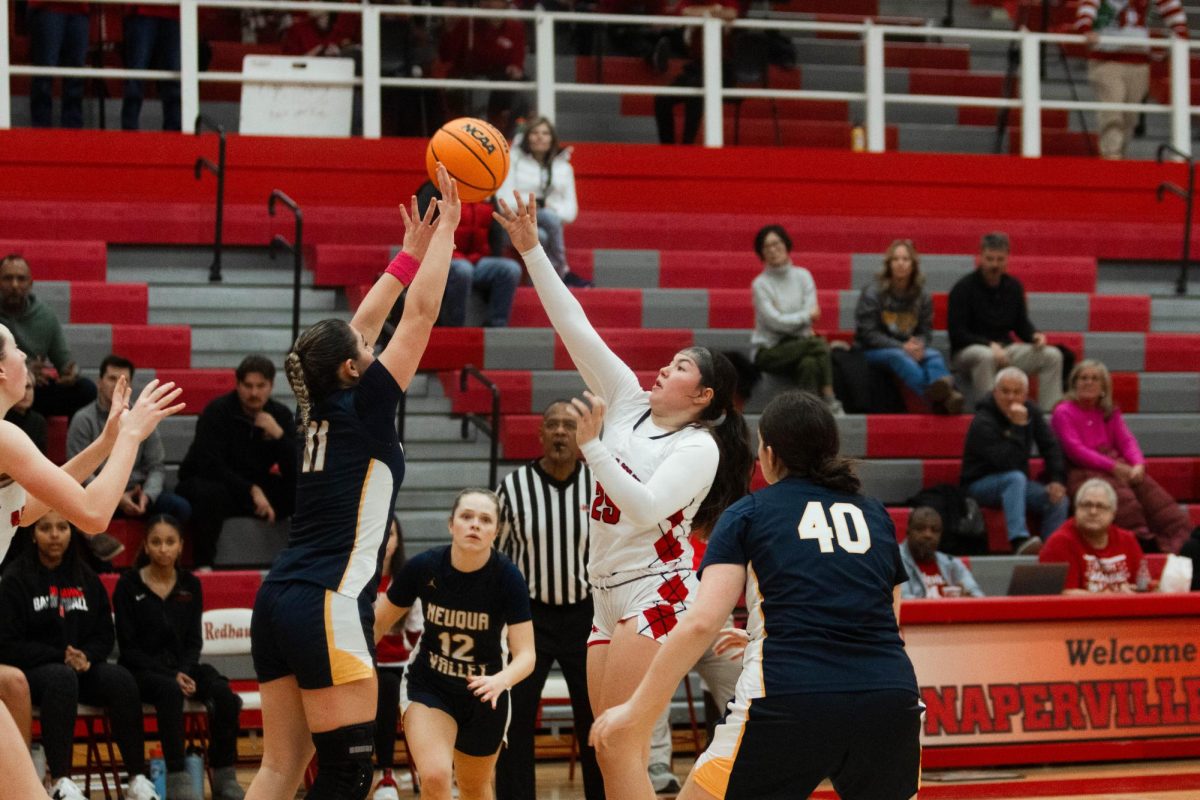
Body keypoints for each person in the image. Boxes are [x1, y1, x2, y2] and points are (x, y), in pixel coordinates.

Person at [495, 191, 753, 797]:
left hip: (656, 591)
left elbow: (642, 506)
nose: (667, 367)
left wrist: (593, 449)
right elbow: (575, 328)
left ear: (705, 395)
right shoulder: (628, 402)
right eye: (670, 360)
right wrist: (532, 251)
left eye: (684, 367)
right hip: (603, 591)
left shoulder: (699, 448)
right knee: (604, 740)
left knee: (621, 738)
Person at [590, 390, 922, 800]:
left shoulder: (749, 512)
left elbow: (700, 622)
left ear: (767, 452)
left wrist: (636, 710)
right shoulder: (875, 514)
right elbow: (887, 620)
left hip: (788, 697)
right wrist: (756, 637)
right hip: (889, 696)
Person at [245, 165, 458, 800]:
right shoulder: (364, 406)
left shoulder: (316, 406)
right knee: (346, 773)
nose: (373, 350)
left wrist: (406, 254)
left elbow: (358, 329)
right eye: (363, 352)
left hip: (278, 599)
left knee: (280, 770)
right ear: (349, 369)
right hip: (328, 601)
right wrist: (446, 229)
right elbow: (419, 317)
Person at [0, 321, 180, 800]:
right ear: (0, 370)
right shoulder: (5, 437)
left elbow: (28, 508)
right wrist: (132, 438)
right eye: (16, 349)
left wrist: (104, 444)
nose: (27, 358)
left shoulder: (8, 443)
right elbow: (95, 515)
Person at [374, 489, 536, 800]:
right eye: (466, 517)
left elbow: (526, 654)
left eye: (485, 519)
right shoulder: (424, 567)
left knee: (475, 788)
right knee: (435, 777)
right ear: (451, 525)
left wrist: (501, 680)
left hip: (486, 692)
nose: (475, 524)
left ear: (496, 531)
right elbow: (378, 624)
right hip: (429, 686)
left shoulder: (508, 578)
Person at [0, 511, 162, 800]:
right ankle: (60, 780)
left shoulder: (86, 576)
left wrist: (87, 656)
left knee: (121, 679)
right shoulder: (15, 579)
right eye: (45, 528)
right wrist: (58, 656)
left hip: (80, 668)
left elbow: (104, 634)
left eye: (62, 527)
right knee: (61, 679)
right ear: (33, 535)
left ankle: (137, 777)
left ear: (71, 533)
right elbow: (8, 644)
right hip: (36, 673)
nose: (54, 534)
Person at [493, 401, 603, 800]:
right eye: (552, 425)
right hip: (529, 619)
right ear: (539, 434)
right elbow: (498, 558)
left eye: (569, 426)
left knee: (593, 718)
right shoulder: (513, 487)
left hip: (586, 616)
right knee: (515, 718)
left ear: (582, 436)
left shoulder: (599, 486)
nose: (560, 432)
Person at [112, 515, 246, 800]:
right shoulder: (128, 584)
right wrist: (172, 675)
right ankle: (177, 776)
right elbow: (128, 647)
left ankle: (224, 773)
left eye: (170, 542)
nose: (163, 549)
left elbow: (194, 641)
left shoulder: (191, 584)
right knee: (170, 691)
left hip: (183, 667)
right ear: (146, 546)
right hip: (142, 670)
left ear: (181, 546)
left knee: (223, 693)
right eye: (156, 542)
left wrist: (184, 670)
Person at [1051, 359, 1191, 554]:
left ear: (1103, 386)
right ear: (1074, 383)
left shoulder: (1109, 411)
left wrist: (1138, 465)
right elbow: (1076, 450)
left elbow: (1126, 441)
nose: (1088, 382)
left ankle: (1179, 543)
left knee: (1161, 504)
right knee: (1124, 502)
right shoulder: (1063, 412)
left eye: (1094, 379)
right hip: (1080, 470)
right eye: (1083, 378)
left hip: (1114, 466)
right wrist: (1113, 466)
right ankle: (1141, 543)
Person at [176, 355, 296, 569]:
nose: (254, 393)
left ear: (271, 385)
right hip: (208, 481)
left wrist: (278, 435)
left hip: (250, 487)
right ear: (237, 384)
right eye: (248, 386)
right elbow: (209, 464)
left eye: (261, 386)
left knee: (299, 491)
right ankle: (203, 565)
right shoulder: (217, 411)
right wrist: (251, 490)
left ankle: (297, 561)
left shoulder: (279, 415)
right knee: (211, 493)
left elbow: (295, 470)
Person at [67, 355, 192, 523]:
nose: (117, 385)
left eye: (123, 380)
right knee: (71, 509)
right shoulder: (82, 419)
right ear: (99, 382)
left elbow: (156, 466)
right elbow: (79, 471)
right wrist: (115, 497)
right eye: (112, 378)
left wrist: (147, 496)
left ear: (130, 386)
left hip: (137, 491)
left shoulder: (142, 417)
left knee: (180, 507)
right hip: (98, 493)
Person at [948, 232, 1063, 412]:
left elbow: (1021, 324)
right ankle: (989, 416)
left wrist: (1034, 335)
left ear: (1007, 258)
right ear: (981, 257)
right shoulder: (963, 288)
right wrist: (988, 345)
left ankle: (1050, 415)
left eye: (1000, 259)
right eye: (990, 259)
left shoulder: (1014, 287)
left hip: (1005, 348)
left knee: (1052, 356)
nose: (994, 264)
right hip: (968, 352)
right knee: (985, 356)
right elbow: (957, 333)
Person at [961, 367, 1069, 556]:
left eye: (1017, 392)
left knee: (1058, 500)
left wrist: (1057, 480)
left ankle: (1052, 552)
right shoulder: (983, 421)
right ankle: (1019, 540)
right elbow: (1005, 462)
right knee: (1015, 478)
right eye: (1005, 391)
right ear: (995, 392)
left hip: (1015, 484)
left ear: (1026, 395)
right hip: (979, 485)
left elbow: (1050, 445)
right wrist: (1018, 427)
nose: (1011, 398)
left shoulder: (1031, 411)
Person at [855, 239, 962, 414]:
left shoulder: (922, 296)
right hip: (872, 350)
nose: (901, 263)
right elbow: (868, 333)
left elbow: (925, 332)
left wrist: (918, 345)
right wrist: (902, 346)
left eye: (905, 259)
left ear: (913, 265)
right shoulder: (873, 292)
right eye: (896, 259)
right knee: (899, 356)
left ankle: (943, 393)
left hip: (909, 347)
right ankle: (938, 399)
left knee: (934, 355)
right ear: (888, 264)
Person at [1075, 0, 1188, 160]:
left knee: (1130, 117)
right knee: (1112, 109)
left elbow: (1170, 6)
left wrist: (1180, 31)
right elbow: (1087, 5)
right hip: (1106, 59)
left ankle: (1119, 156)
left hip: (1139, 59)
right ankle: (1111, 157)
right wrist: (1085, 28)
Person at [749, 225, 843, 416]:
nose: (773, 250)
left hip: (800, 344)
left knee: (808, 363)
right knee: (818, 344)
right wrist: (804, 316)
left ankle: (807, 414)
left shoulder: (803, 276)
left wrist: (788, 318)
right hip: (770, 350)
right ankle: (830, 397)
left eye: (776, 243)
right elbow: (776, 322)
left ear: (786, 244)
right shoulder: (761, 284)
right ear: (761, 253)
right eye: (767, 247)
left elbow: (798, 318)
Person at [0, 254, 98, 419]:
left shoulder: (45, 316)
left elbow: (65, 363)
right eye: (8, 278)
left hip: (33, 390)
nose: (15, 285)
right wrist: (22, 370)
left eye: (21, 279)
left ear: (30, 284)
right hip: (2, 386)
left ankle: (76, 444)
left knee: (86, 390)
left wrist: (71, 373)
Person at [496, 118, 590, 287]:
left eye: (545, 133)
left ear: (552, 139)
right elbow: (503, 201)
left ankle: (538, 287)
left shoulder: (564, 167)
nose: (540, 137)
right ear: (527, 137)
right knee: (546, 226)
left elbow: (570, 213)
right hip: (514, 223)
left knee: (545, 232)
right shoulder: (512, 161)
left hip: (547, 223)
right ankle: (562, 272)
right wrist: (530, 206)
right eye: (535, 133)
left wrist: (549, 207)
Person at [415, 180, 522, 328]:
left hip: (477, 260)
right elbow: (421, 229)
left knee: (510, 269)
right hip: (443, 259)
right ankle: (454, 328)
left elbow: (495, 232)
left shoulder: (485, 188)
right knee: (463, 270)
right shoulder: (434, 188)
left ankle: (496, 327)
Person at [373, 517, 423, 800]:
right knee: (383, 685)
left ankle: (387, 773)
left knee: (390, 686)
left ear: (398, 540)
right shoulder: (357, 579)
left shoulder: (406, 581)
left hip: (399, 667)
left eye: (390, 533)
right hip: (362, 665)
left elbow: (417, 635)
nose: (384, 540)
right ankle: (381, 772)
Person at [653, 0, 744, 146]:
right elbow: (684, 11)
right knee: (662, 99)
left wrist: (701, 12)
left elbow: (732, 14)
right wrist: (713, 10)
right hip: (696, 67)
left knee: (696, 91)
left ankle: (687, 146)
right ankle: (667, 148)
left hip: (723, 69)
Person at [1040, 478, 1145, 594]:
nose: (1093, 512)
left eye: (1100, 506)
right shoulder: (1059, 542)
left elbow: (1143, 586)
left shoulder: (1127, 540)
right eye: (1086, 505)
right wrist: (1114, 597)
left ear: (1113, 513)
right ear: (1076, 509)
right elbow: (1064, 595)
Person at [438, 0, 527, 135]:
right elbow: (448, 55)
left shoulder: (515, 28)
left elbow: (517, 62)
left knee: (522, 97)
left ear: (506, 5)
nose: (489, 4)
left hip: (500, 79)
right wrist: (450, 29)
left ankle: (507, 137)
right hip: (469, 77)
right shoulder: (469, 24)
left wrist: (515, 69)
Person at [27, 0, 90, 128]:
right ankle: (41, 128)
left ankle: (73, 128)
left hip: (79, 9)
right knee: (45, 70)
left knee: (76, 72)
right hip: (47, 7)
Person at [898, 506, 985, 599]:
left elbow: (979, 597)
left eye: (935, 530)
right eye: (920, 529)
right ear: (908, 531)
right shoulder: (895, 560)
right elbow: (902, 601)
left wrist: (967, 598)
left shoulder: (951, 563)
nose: (928, 535)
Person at [121, 2, 182, 130]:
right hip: (141, 11)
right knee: (135, 77)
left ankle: (175, 133)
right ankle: (129, 131)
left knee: (174, 79)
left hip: (175, 13)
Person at [5, 369, 46, 454]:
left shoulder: (38, 421)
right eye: (20, 386)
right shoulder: (3, 420)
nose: (25, 393)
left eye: (28, 387)